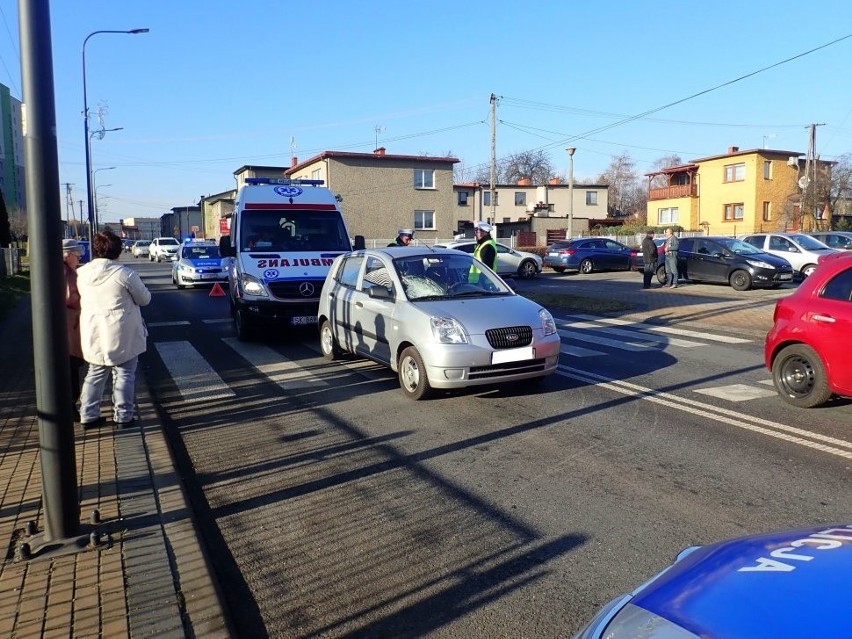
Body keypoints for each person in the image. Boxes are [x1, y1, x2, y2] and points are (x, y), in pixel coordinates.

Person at [77, 231, 152, 428]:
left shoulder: (82, 273)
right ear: (118, 251)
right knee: (125, 374)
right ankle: (124, 416)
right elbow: (145, 299)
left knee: (95, 373)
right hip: (121, 332)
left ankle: (88, 415)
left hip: (93, 331)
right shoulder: (124, 274)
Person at [62, 239, 85, 422]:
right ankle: (69, 408)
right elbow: (72, 298)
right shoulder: (67, 272)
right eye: (77, 256)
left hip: (66, 328)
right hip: (69, 327)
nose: (79, 259)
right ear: (67, 255)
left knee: (69, 370)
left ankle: (69, 407)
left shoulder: (61, 269)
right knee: (70, 370)